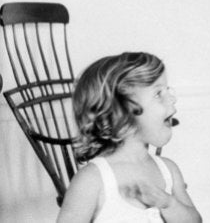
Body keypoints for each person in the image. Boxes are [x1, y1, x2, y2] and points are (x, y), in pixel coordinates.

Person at [57, 52, 201, 223]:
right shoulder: (92, 179)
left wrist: (168, 203)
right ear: (120, 114)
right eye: (158, 93)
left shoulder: (169, 170)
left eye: (167, 90)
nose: (172, 98)